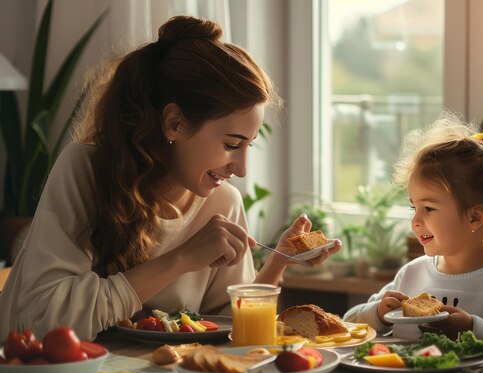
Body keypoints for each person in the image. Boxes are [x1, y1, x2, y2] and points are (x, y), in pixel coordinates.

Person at [0, 16, 340, 342]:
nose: (241, 169)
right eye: (231, 144)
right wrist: (180, 259)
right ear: (174, 123)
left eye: (250, 145)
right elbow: (44, 319)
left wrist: (279, 259)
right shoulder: (85, 170)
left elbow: (231, 327)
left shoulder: (223, 202)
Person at [344, 114, 483, 356]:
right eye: (414, 207)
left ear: (474, 217)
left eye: (428, 208)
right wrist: (379, 313)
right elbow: (348, 326)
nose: (416, 221)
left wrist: (473, 328)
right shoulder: (412, 274)